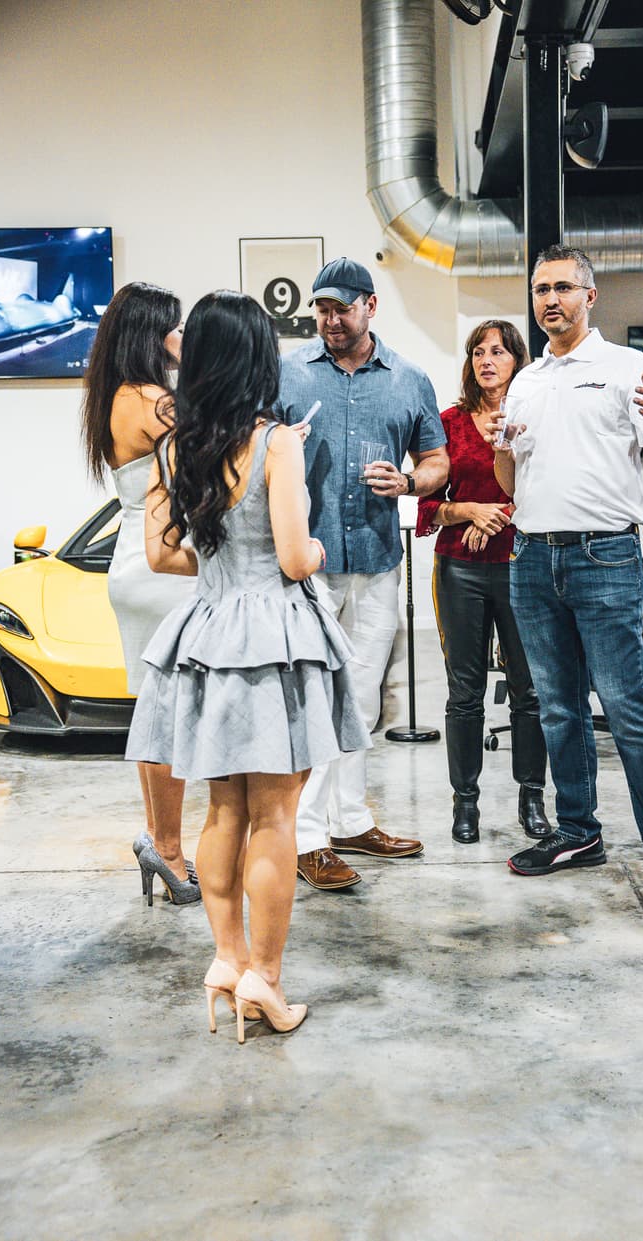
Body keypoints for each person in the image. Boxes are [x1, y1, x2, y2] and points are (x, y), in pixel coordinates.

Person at [124, 290, 370, 1040]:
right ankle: (266, 977)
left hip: (205, 630)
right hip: (275, 638)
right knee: (275, 814)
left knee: (222, 809)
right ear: (257, 357)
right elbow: (296, 557)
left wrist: (216, 561)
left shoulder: (173, 447)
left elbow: (163, 552)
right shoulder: (277, 443)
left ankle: (227, 961)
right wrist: (317, 551)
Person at [493, 244, 643, 908]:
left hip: (604, 557)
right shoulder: (525, 380)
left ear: (590, 295)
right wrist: (501, 445)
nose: (549, 299)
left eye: (562, 288)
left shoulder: (627, 368)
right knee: (558, 707)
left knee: (627, 706)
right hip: (531, 557)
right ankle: (579, 832)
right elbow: (510, 479)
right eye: (540, 289)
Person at [277, 257, 449, 890]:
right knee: (318, 701)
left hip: (377, 561)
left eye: (340, 308)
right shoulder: (286, 372)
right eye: (321, 308)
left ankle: (348, 819)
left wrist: (409, 482)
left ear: (370, 307)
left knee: (360, 697)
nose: (329, 319)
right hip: (305, 567)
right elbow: (253, 450)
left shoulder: (409, 380)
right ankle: (307, 837)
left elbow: (438, 460)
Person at [81, 281, 200, 907]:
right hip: (164, 568)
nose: (181, 338)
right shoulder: (158, 403)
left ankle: (160, 839)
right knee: (172, 723)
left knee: (156, 717)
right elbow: (198, 478)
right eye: (173, 329)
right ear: (153, 335)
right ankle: (172, 849)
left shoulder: (114, 397)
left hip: (134, 562)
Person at [416, 320, 550, 845]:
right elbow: (427, 504)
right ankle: (465, 804)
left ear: (517, 359)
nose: (486, 359)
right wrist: (469, 510)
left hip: (524, 564)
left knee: (530, 692)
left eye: (498, 351)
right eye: (478, 351)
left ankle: (532, 800)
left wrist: (502, 513)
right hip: (460, 571)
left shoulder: (537, 415)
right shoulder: (447, 422)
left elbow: (556, 485)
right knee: (465, 693)